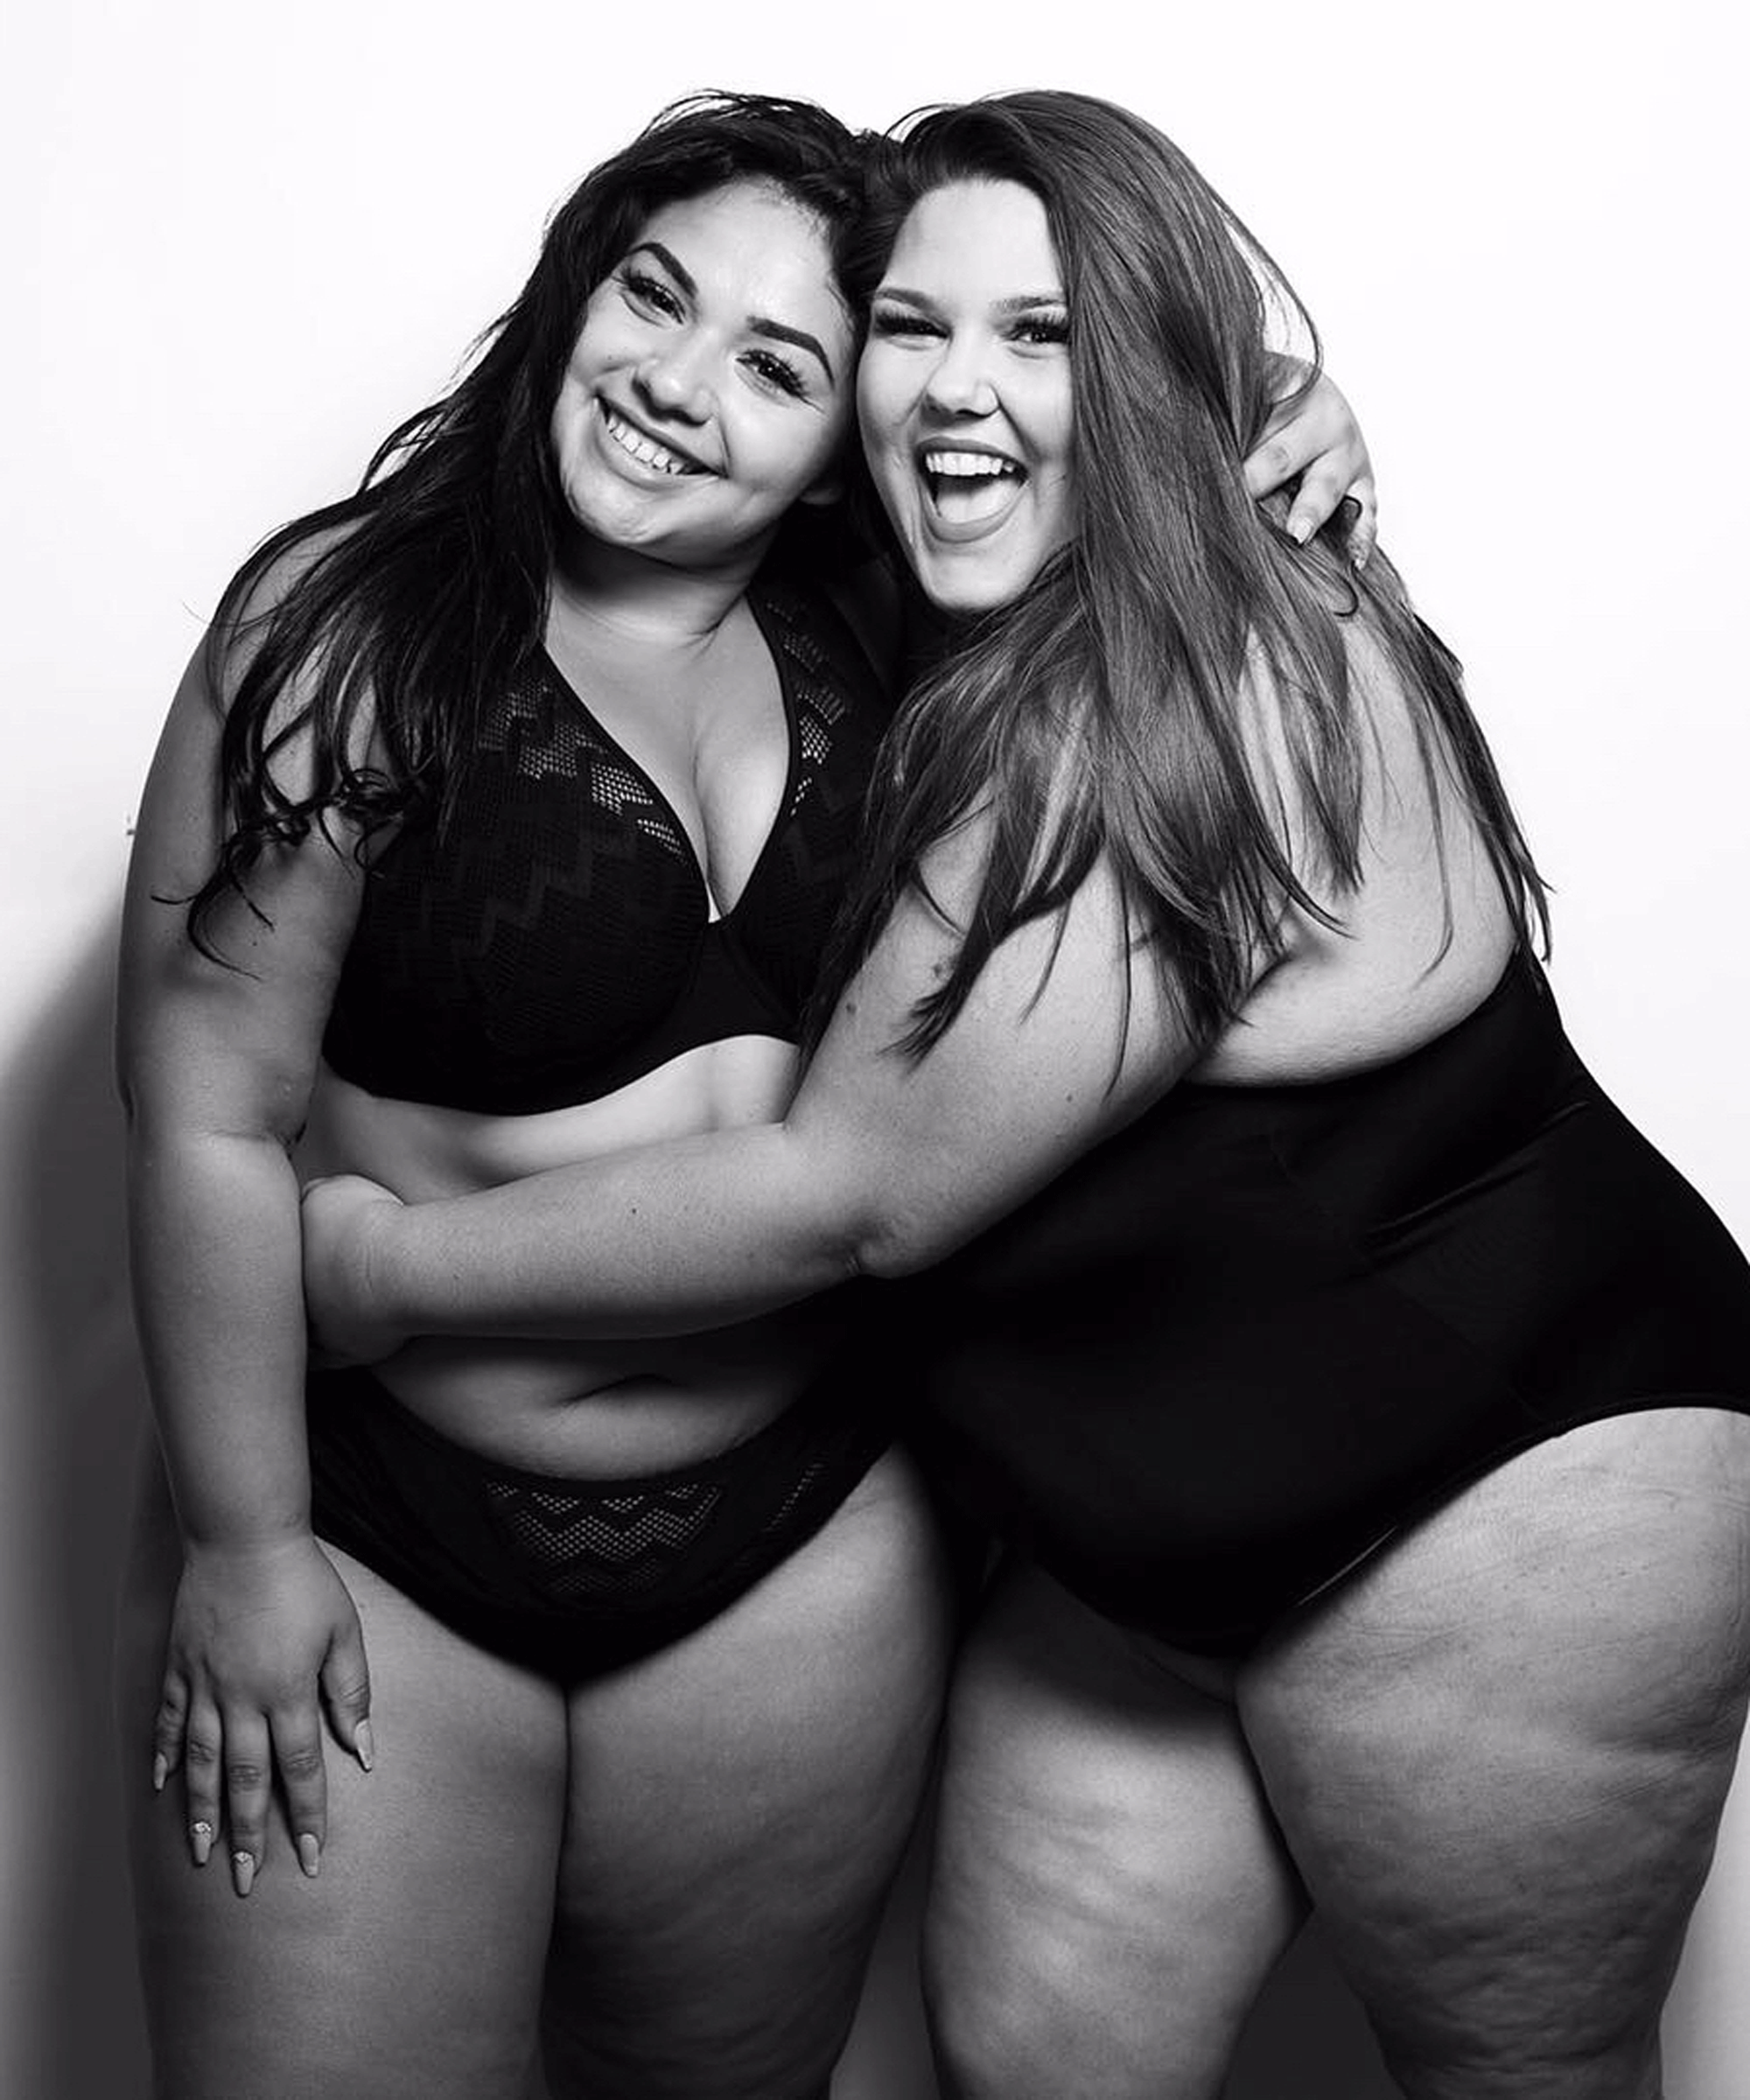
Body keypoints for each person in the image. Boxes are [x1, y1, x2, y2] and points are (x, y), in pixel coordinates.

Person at [303, 92, 1750, 2100]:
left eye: (1042, 333)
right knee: (1033, 2059)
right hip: (1139, 1561)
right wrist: (1276, 402)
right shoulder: (993, 597)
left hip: (1493, 1511)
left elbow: (850, 1193)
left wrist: (374, 1270)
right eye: (912, 327)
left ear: (1146, 366)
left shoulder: (1169, 694)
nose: (956, 387)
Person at [116, 91, 1372, 2099]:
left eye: (779, 365)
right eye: (651, 295)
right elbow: (206, 1118)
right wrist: (244, 1545)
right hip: (370, 1540)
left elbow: (1095, 484)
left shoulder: (902, 624)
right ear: (573, 290)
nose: (676, 385)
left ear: (841, 433)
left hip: (801, 1559)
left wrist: (1285, 422)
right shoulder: (352, 632)